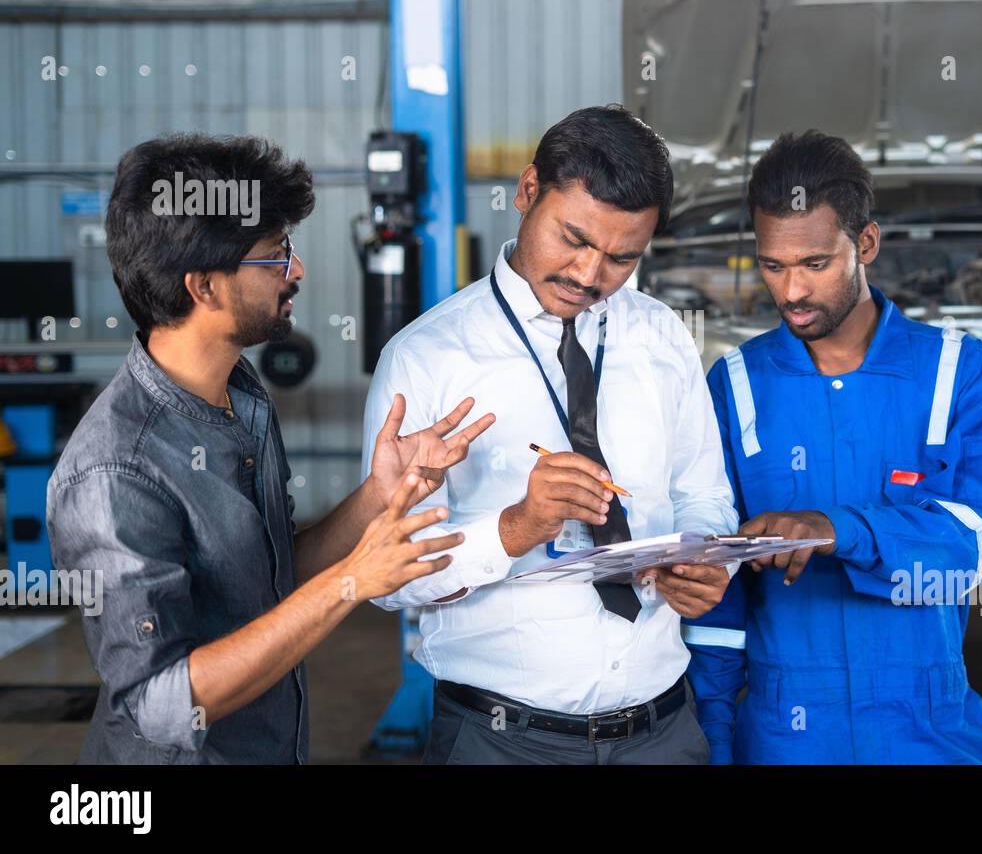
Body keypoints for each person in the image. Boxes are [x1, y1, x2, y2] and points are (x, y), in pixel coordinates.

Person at [47, 133, 493, 763]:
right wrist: (350, 582)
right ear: (205, 287)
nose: (298, 271)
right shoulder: (114, 471)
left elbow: (272, 577)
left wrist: (375, 497)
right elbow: (163, 702)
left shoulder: (241, 393)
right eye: (275, 255)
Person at [361, 105, 738, 764]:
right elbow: (386, 579)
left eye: (622, 258)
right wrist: (513, 528)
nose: (590, 276)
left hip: (663, 731)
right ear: (528, 191)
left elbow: (704, 495)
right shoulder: (427, 357)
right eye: (574, 239)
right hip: (499, 740)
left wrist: (705, 559)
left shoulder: (663, 336)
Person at [684, 130, 982, 764]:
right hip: (785, 734)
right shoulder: (737, 385)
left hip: (928, 726)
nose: (791, 293)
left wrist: (835, 529)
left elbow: (977, 540)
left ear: (865, 243)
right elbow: (719, 595)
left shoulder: (959, 371)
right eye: (773, 266)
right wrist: (716, 743)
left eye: (815, 264)